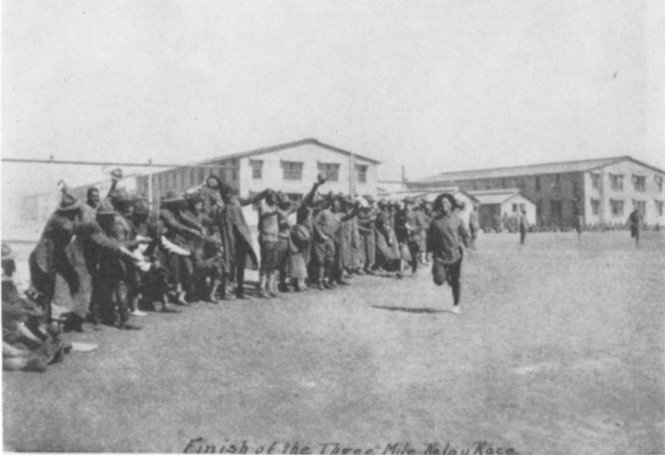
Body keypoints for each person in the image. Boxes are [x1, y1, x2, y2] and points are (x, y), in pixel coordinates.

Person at [426, 193, 469, 314]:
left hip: (455, 255)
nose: (444, 205)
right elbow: (430, 238)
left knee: (455, 281)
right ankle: (444, 276)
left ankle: (456, 304)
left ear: (451, 204)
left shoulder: (457, 219)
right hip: (439, 255)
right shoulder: (435, 221)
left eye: (446, 202)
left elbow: (464, 235)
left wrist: (468, 247)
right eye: (442, 203)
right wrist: (428, 251)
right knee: (439, 280)